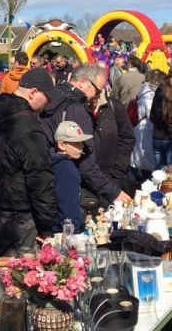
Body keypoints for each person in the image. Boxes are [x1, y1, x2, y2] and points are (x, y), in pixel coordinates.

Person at [0, 68, 58, 256]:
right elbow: (40, 179)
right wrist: (46, 225)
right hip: (19, 218)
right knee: (20, 277)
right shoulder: (28, 127)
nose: (48, 104)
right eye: (47, 98)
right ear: (33, 92)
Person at [41, 62, 132, 205]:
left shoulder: (52, 98)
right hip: (72, 183)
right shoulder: (76, 109)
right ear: (83, 82)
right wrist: (113, 192)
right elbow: (86, 162)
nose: (98, 95)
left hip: (49, 179)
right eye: (97, 90)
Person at [86, 86, 136, 207]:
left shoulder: (114, 106)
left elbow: (127, 138)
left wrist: (118, 170)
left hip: (113, 176)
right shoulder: (77, 109)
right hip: (87, 181)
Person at [51, 120, 91, 234]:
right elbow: (68, 208)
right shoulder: (66, 169)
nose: (82, 146)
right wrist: (74, 234)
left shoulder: (54, 163)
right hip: (65, 231)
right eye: (77, 143)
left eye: (82, 142)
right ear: (61, 145)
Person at [130, 69, 166, 180]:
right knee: (147, 159)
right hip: (146, 130)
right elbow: (153, 117)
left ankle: (141, 177)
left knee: (142, 157)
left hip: (141, 128)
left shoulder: (144, 91)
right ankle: (145, 181)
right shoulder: (150, 96)